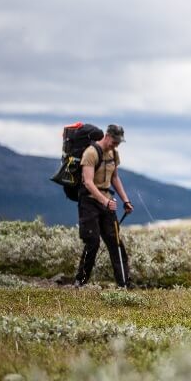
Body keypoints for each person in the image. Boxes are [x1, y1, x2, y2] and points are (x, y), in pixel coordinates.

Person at [75, 123, 132, 287]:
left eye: (119, 142)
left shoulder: (114, 153)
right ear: (107, 136)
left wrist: (125, 200)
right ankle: (81, 281)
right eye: (115, 141)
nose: (116, 145)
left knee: (115, 242)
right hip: (89, 202)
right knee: (92, 242)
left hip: (107, 202)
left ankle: (124, 284)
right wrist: (105, 201)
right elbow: (88, 182)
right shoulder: (90, 153)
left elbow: (115, 178)